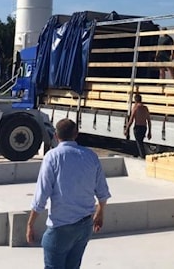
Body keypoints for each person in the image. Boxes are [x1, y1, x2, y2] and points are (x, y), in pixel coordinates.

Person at [26, 118, 111, 268]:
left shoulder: (52, 157)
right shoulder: (91, 156)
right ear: (76, 134)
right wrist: (100, 212)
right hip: (84, 226)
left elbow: (41, 196)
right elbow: (102, 192)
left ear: (55, 136)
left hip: (60, 227)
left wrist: (30, 224)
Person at [123, 93, 152, 158]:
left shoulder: (135, 108)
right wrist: (149, 132)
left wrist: (127, 129)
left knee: (139, 143)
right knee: (139, 142)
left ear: (135, 100)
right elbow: (149, 121)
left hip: (138, 127)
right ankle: (136, 155)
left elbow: (131, 120)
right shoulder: (145, 108)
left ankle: (143, 157)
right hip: (144, 127)